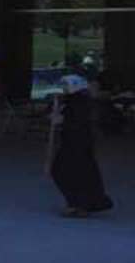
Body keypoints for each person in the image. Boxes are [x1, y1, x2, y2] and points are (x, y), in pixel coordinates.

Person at [49, 75, 114, 218]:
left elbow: (77, 123)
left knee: (66, 172)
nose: (64, 89)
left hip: (77, 144)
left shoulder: (80, 102)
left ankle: (79, 204)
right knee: (76, 172)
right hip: (75, 143)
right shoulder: (74, 100)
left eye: (66, 86)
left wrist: (61, 120)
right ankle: (85, 203)